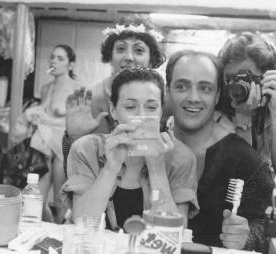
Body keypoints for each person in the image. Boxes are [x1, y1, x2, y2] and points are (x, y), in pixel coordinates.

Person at [61, 66, 197, 228]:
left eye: (151, 107)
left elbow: (174, 234)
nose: (141, 115)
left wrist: (157, 171)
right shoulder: (86, 149)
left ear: (161, 112)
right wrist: (110, 169)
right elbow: (83, 223)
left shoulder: (180, 158)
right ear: (113, 111)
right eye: (130, 107)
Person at [165, 50, 275, 251]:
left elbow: (266, 228)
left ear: (217, 96)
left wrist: (247, 236)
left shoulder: (246, 161)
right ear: (167, 91)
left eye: (205, 88)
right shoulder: (146, 148)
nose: (193, 97)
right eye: (182, 86)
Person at [62, 16, 166, 172]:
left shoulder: (164, 97)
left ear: (151, 59)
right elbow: (79, 170)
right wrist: (73, 139)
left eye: (138, 50)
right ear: (110, 56)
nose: (129, 57)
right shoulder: (92, 97)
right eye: (121, 49)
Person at [217, 32, 276, 179]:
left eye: (247, 78)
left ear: (265, 78)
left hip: (261, 196)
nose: (238, 86)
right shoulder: (217, 104)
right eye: (231, 79)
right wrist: (242, 118)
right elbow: (240, 175)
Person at [26, 44, 79, 222]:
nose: (54, 61)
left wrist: (45, 120)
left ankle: (61, 240)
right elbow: (44, 113)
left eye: (60, 58)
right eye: (52, 57)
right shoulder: (45, 88)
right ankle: (48, 231)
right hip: (44, 145)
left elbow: (75, 123)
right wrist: (36, 116)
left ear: (70, 65)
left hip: (63, 146)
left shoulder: (76, 88)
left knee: (59, 199)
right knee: (36, 198)